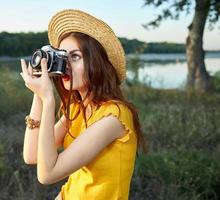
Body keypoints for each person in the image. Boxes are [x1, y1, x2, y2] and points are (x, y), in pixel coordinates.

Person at [20, 9, 146, 200]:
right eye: (63, 57)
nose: (65, 65)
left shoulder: (114, 116)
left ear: (97, 62)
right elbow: (31, 155)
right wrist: (37, 96)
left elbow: (47, 175)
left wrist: (48, 100)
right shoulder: (76, 109)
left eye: (75, 56)